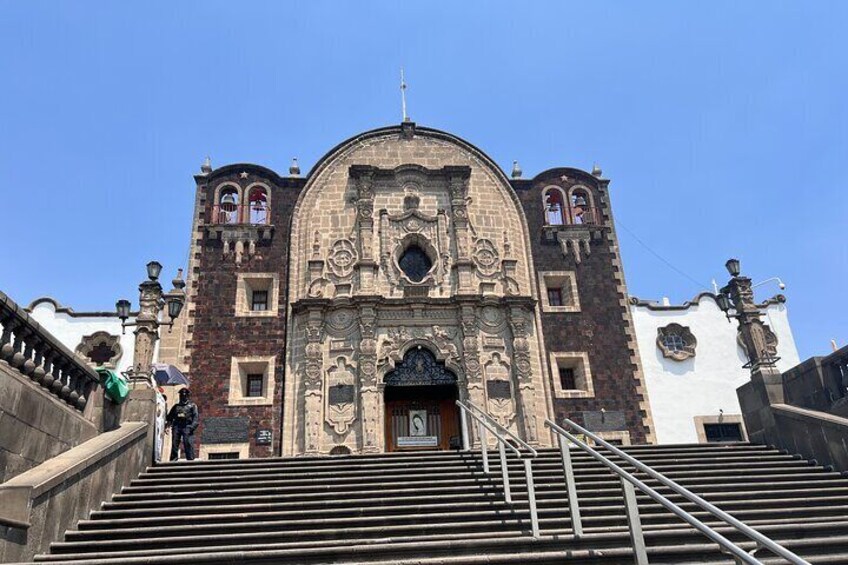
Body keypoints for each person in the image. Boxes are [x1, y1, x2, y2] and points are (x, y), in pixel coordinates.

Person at [166, 388, 198, 461]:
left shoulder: (192, 406)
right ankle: (173, 459)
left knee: (188, 442)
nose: (183, 396)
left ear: (187, 396)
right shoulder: (176, 407)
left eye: (185, 395)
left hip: (187, 426)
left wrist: (191, 427)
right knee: (174, 443)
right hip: (177, 426)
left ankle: (190, 458)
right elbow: (169, 417)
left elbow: (195, 418)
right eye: (182, 395)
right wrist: (168, 425)